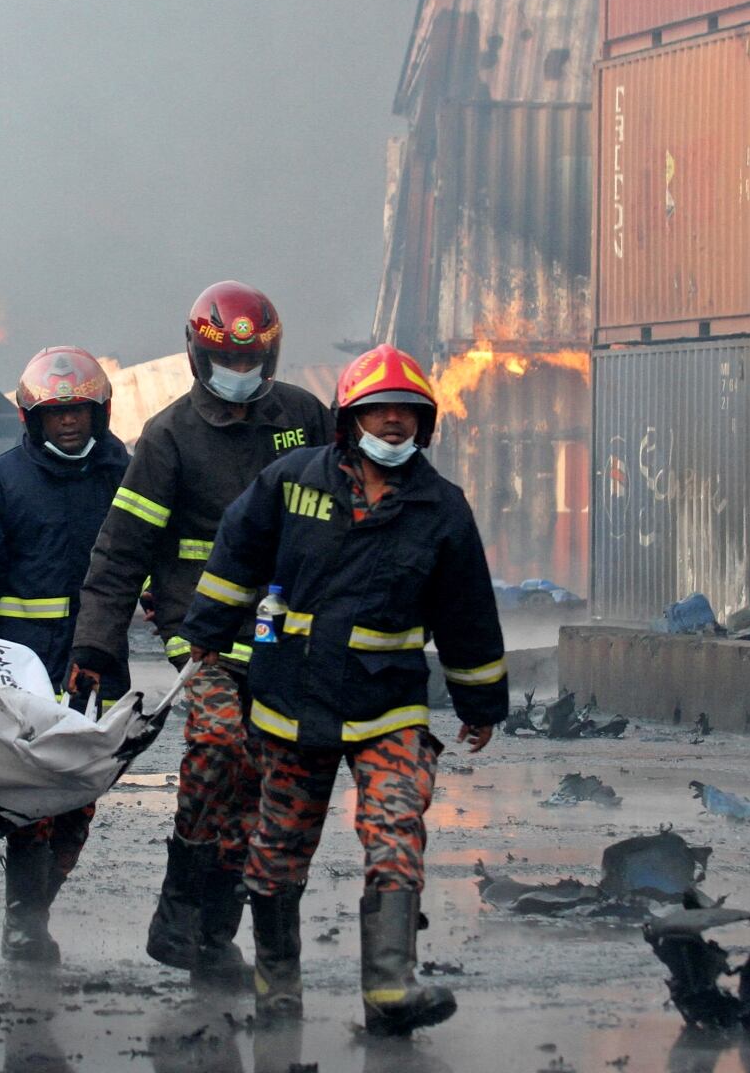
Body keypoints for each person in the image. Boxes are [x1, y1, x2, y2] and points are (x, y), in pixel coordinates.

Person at [172, 343, 507, 1035]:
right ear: (348, 419)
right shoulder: (290, 481)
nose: (392, 423)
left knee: (395, 833)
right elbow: (236, 552)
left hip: (389, 708)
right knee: (277, 851)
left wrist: (481, 704)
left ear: (424, 424)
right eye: (379, 410)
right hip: (293, 700)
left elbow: (468, 613)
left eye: (407, 413)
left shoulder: (441, 509)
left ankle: (390, 990)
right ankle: (278, 986)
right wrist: (206, 628)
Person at [69, 281, 332, 984]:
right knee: (218, 749)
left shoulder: (305, 417)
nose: (239, 374)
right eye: (225, 360)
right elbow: (121, 549)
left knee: (265, 787)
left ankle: (212, 935)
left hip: (288, 638)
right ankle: (179, 912)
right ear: (197, 354)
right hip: (205, 635)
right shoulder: (169, 437)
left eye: (252, 360)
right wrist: (96, 644)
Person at [0, 345, 129, 963]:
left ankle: (36, 907)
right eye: (57, 415)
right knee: (34, 798)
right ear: (34, 419)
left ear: (98, 412)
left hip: (95, 661)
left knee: (80, 799)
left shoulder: (123, 473)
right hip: (24, 669)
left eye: (78, 411)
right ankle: (24, 923)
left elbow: (135, 554)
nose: (69, 423)